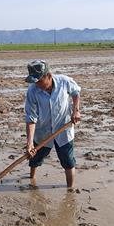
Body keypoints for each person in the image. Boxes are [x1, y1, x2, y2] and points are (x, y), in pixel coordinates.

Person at [24, 60, 81, 189]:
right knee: (35, 158)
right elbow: (31, 118)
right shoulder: (32, 91)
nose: (37, 84)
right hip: (43, 131)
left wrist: (76, 111)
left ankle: (70, 190)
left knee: (68, 161)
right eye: (35, 81)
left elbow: (76, 92)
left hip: (63, 129)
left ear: (49, 76)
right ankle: (32, 178)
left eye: (39, 81)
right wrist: (30, 143)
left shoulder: (64, 82)